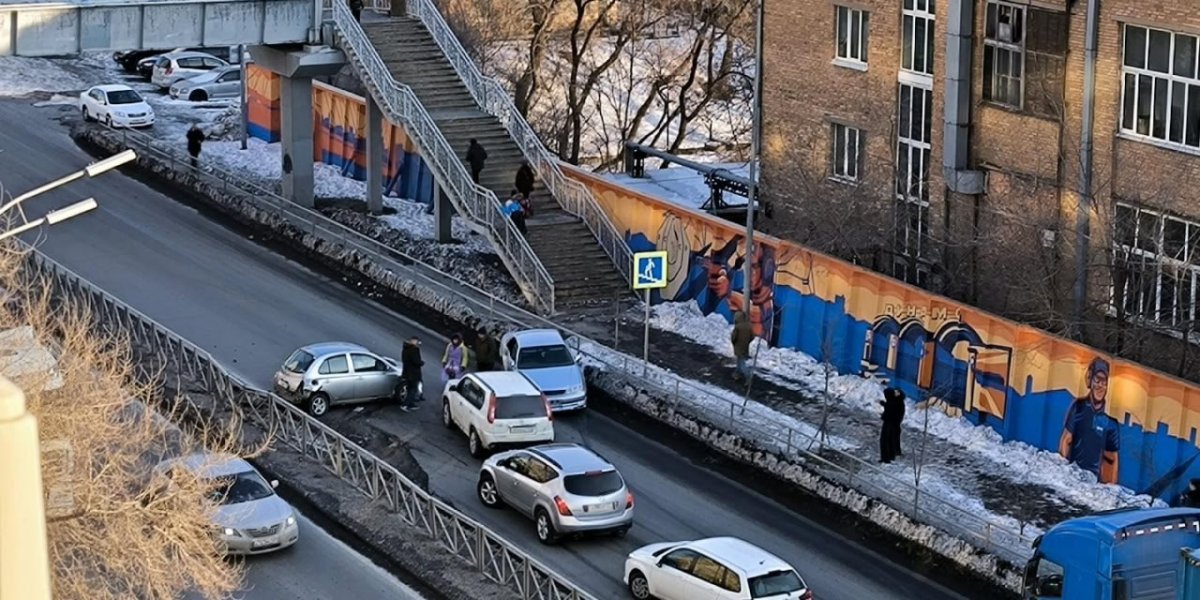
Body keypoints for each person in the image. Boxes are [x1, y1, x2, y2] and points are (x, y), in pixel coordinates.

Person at [1059, 357, 1120, 484]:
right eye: (1097, 381)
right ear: (1090, 381)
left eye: (1104, 382)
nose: (1100, 386)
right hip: (1072, 477)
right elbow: (1066, 440)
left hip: (1092, 485)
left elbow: (1111, 460)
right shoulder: (1078, 407)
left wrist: (1108, 490)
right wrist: (1063, 473)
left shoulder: (1111, 423)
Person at [879, 387, 906, 463]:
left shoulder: (893, 403)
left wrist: (883, 415)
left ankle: (886, 458)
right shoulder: (897, 401)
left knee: (885, 441)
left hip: (890, 424)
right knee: (892, 441)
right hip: (895, 425)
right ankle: (892, 456)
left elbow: (889, 412)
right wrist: (884, 404)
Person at [400, 336, 424, 412]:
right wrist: (421, 363)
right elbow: (416, 362)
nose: (417, 343)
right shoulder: (414, 350)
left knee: (410, 388)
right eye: (417, 342)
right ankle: (405, 404)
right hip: (413, 374)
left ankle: (411, 403)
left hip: (407, 372)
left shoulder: (405, 349)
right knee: (413, 389)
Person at [730, 310, 754, 381]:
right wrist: (747, 341)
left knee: (741, 362)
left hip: (738, 346)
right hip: (745, 346)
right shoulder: (748, 325)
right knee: (739, 361)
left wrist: (734, 343)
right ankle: (737, 374)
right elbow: (752, 336)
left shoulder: (737, 327)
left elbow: (733, 337)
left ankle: (748, 376)